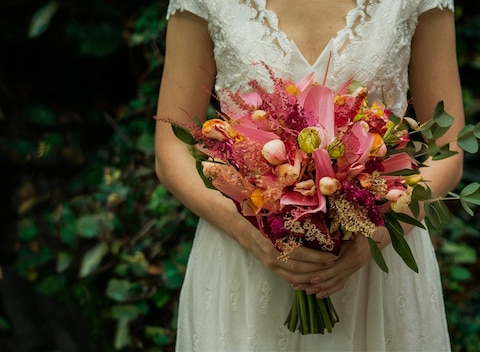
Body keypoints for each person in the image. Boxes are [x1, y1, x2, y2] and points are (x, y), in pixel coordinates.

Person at [155, 0, 464, 350]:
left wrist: (374, 239)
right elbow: (171, 150)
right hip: (245, 258)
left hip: (377, 264)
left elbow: (449, 151)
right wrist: (250, 235)